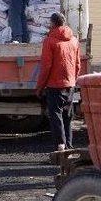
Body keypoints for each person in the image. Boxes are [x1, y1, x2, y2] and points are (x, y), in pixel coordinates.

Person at [36, 13, 81, 152]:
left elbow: (46, 66)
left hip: (55, 85)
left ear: (53, 24)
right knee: (67, 116)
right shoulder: (74, 40)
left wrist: (40, 87)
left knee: (56, 115)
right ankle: (68, 146)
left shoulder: (49, 41)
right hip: (70, 84)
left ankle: (60, 147)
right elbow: (78, 64)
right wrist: (73, 80)